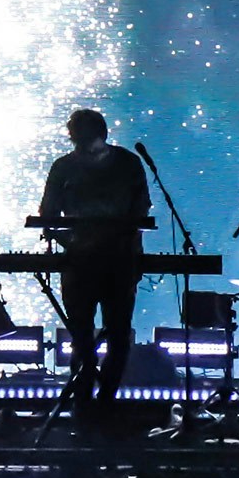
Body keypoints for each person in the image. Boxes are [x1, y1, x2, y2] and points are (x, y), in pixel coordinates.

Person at [40, 107, 153, 408]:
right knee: (86, 336)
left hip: (112, 261)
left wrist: (73, 241)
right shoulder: (68, 167)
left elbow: (140, 210)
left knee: (112, 336)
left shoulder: (127, 163)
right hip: (89, 261)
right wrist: (73, 242)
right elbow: (47, 216)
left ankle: (97, 402)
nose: (78, 141)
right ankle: (90, 401)